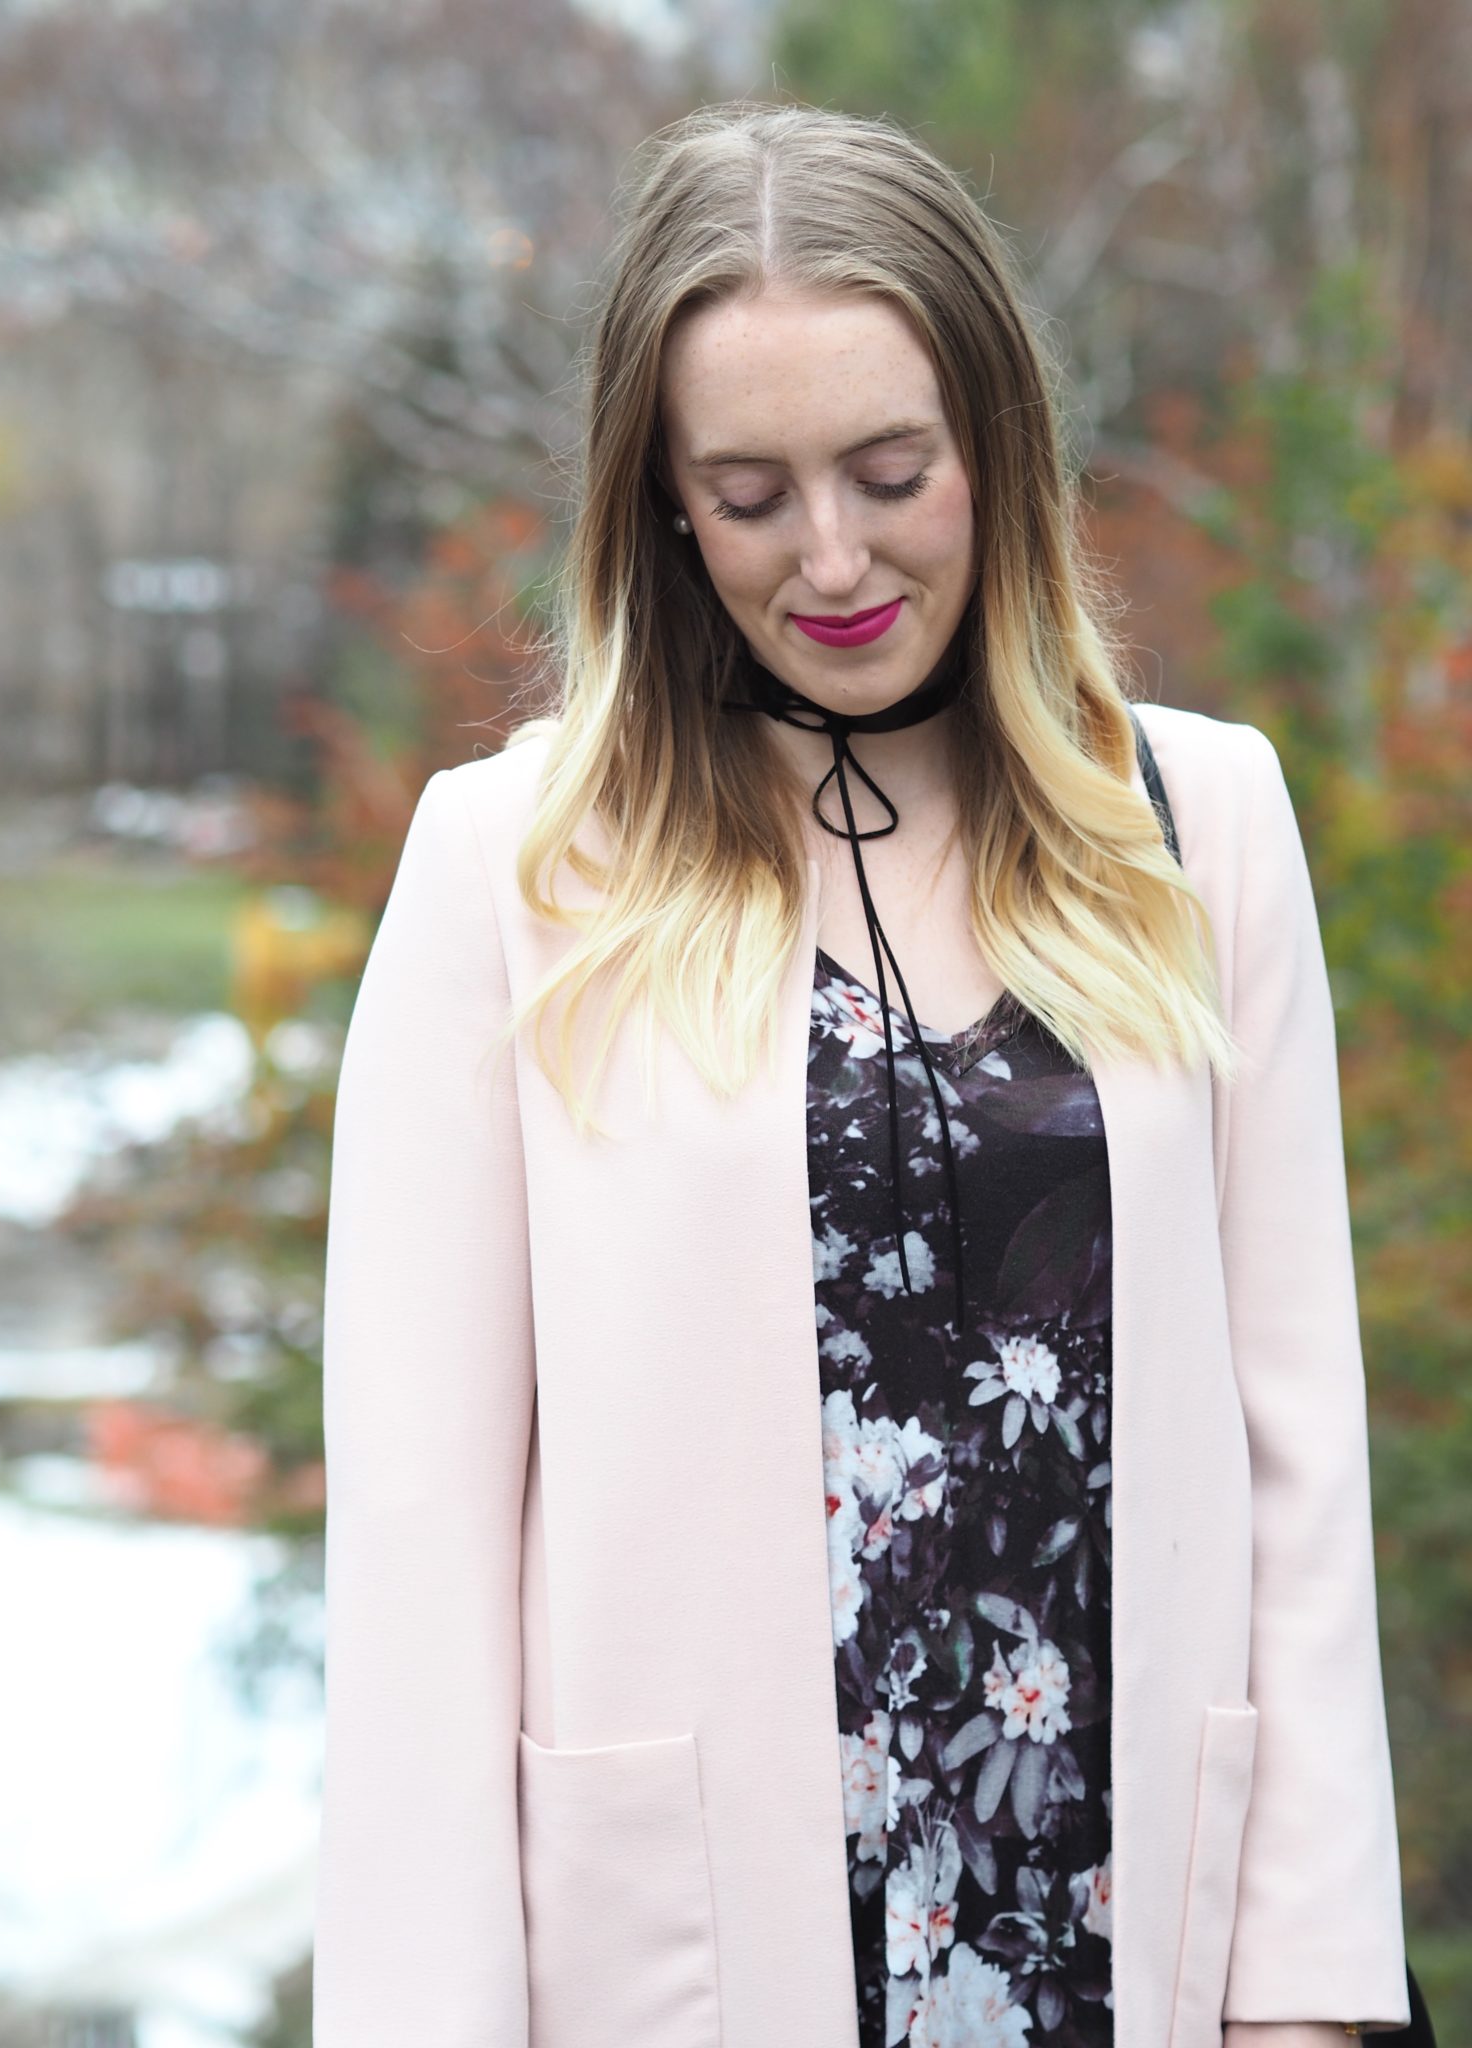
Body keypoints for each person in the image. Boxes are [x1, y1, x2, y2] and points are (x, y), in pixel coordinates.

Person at [311, 100, 1412, 2048]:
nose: (832, 554)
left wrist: (1305, 1995)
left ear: (997, 443)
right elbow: (418, 1552)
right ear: (656, 500)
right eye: (748, 493)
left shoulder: (1203, 822)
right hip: (691, 1970)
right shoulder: (507, 870)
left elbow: (1298, 1453)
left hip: (1124, 1940)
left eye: (891, 470)